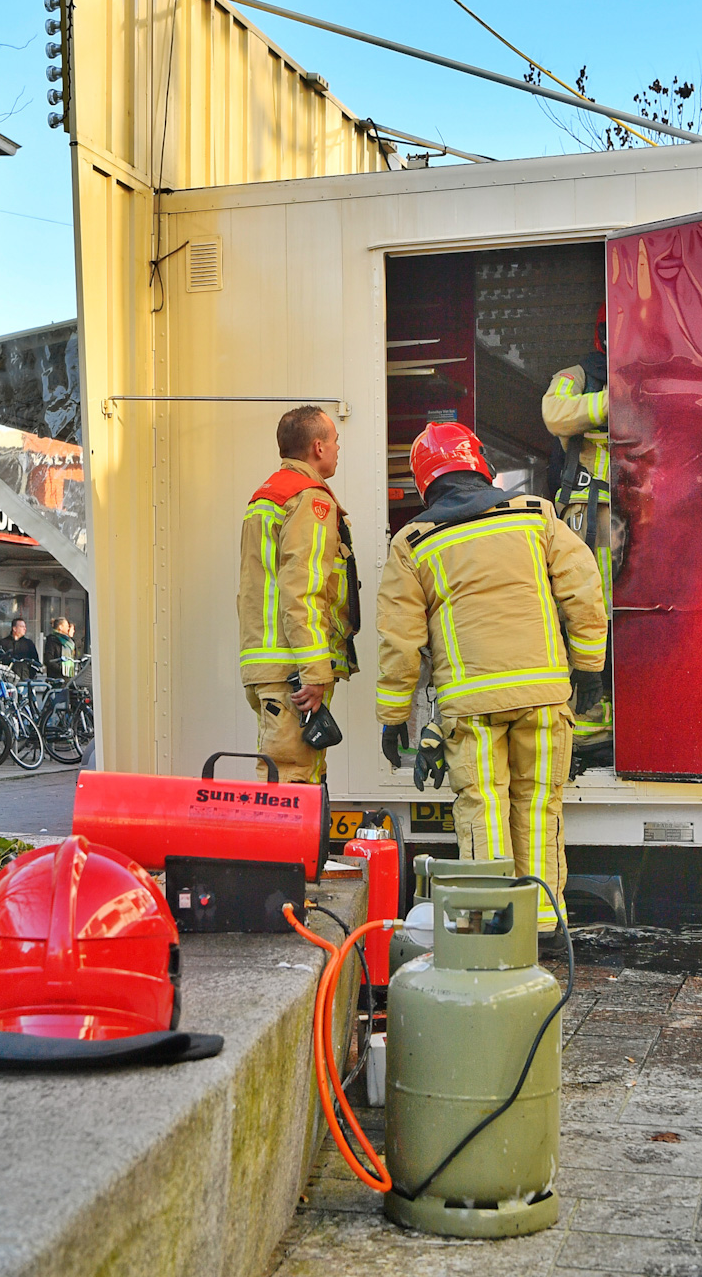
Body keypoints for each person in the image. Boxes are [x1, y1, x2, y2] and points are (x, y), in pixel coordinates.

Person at [374, 422, 606, 947]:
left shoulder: (413, 545)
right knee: (538, 807)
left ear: (424, 481)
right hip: (543, 699)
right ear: (479, 463)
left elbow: (399, 643)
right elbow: (584, 589)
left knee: (483, 810)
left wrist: (393, 720)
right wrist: (588, 667)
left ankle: (496, 934)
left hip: (471, 707)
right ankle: (544, 930)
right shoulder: (535, 517)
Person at [237, 403, 359, 784]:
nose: (339, 448)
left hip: (270, 666)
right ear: (318, 447)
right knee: (293, 779)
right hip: (293, 672)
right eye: (335, 440)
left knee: (292, 770)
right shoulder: (310, 498)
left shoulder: (268, 495)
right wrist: (314, 671)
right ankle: (284, 846)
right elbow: (303, 589)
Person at [542, 304, 620, 755]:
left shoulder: (658, 371)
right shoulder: (577, 374)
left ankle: (617, 713)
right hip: (592, 514)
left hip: (651, 513)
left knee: (639, 620)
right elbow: (554, 413)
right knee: (591, 610)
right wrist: (612, 402)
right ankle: (592, 718)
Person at [43, 616, 78, 681]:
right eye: (66, 626)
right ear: (60, 627)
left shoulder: (69, 642)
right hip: (56, 677)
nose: (68, 628)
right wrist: (61, 668)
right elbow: (48, 660)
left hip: (69, 676)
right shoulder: (52, 640)